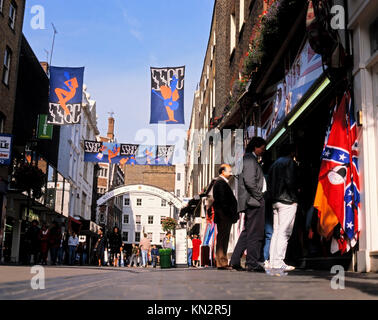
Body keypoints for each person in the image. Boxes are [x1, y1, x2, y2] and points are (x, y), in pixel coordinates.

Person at [230, 137, 267, 272]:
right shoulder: (250, 160)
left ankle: (235, 260)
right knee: (255, 233)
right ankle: (252, 263)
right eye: (262, 148)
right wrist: (259, 197)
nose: (263, 150)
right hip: (254, 201)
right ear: (255, 147)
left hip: (250, 201)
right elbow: (250, 181)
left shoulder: (247, 159)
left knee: (247, 232)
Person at [267, 144, 299, 271]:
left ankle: (273, 260)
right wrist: (294, 198)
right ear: (291, 152)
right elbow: (290, 181)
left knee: (276, 231)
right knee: (284, 232)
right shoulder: (290, 163)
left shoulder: (274, 164)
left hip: (275, 200)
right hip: (287, 200)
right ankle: (279, 261)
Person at [212, 164, 238, 270]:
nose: (231, 173)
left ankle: (221, 262)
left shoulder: (220, 183)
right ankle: (222, 262)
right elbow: (223, 201)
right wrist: (229, 213)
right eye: (229, 171)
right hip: (224, 215)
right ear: (223, 171)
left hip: (223, 215)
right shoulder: (221, 183)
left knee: (222, 238)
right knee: (223, 238)